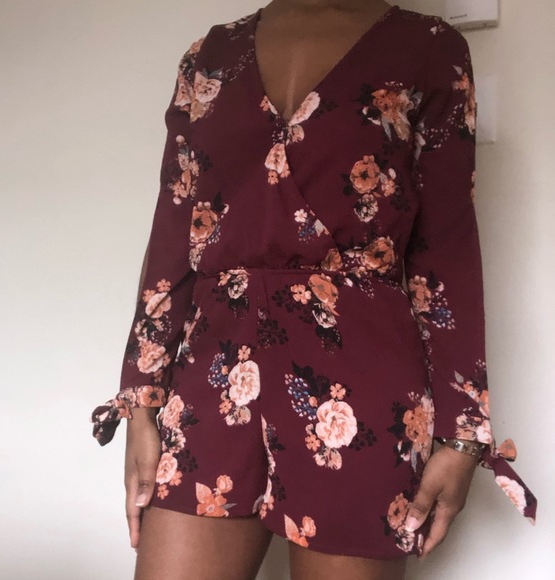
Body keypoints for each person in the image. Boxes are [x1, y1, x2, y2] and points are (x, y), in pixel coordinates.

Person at [90, 1, 538, 578]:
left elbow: (446, 249)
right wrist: (141, 400)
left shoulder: (428, 50)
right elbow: (174, 231)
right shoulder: (209, 56)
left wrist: (463, 433)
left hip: (359, 391)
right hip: (213, 374)